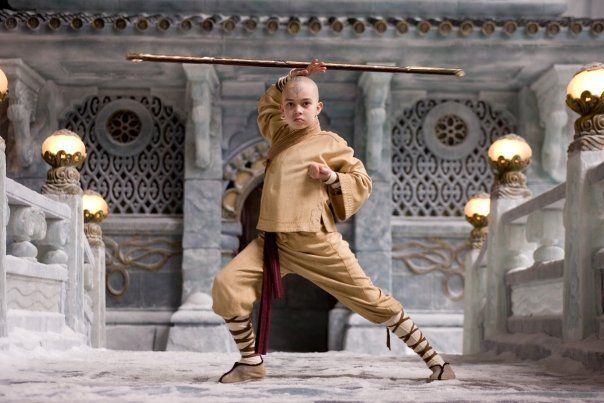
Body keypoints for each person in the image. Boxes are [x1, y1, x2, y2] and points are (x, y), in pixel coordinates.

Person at [211, 59, 456, 383]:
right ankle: (251, 363)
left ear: (318, 108)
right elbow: (265, 108)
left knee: (372, 300)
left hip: (316, 241)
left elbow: (362, 180)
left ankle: (436, 362)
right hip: (273, 243)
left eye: (305, 104)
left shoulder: (331, 143)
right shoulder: (280, 136)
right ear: (284, 110)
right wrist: (289, 79)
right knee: (227, 286)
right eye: (291, 105)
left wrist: (330, 177)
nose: (298, 111)